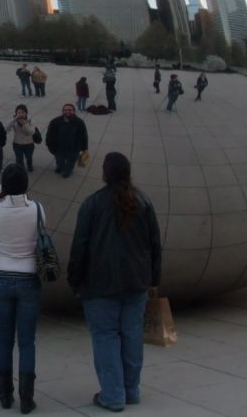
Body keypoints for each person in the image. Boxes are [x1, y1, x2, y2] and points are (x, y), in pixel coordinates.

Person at [68, 152, 162, 412]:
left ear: (105, 173)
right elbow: (155, 244)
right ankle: (131, 390)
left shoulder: (92, 204)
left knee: (105, 337)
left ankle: (113, 394)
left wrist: (74, 279)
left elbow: (80, 246)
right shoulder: (142, 201)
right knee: (132, 336)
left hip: (100, 285)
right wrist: (154, 280)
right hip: (137, 282)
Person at [0, 165, 42, 413]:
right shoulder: (36, 209)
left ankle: (5, 396)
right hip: (28, 277)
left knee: (4, 339)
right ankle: (27, 397)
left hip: (1, 276)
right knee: (27, 341)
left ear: (4, 185)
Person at [45, 104, 88, 179]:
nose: (67, 111)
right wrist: (49, 145)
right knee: (59, 160)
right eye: (65, 110)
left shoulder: (79, 122)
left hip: (73, 148)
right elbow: (49, 135)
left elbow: (84, 136)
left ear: (73, 111)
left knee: (70, 162)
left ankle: (68, 171)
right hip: (59, 147)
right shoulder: (55, 121)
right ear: (62, 111)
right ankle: (60, 167)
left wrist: (84, 148)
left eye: (70, 110)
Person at [8, 104, 38, 172]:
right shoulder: (14, 120)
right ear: (16, 113)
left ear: (26, 113)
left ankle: (29, 166)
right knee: (19, 159)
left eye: (23, 112)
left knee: (29, 157)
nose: (21, 114)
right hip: (17, 143)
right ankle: (20, 170)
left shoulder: (30, 120)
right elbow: (6, 128)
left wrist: (25, 124)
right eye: (19, 112)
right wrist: (14, 119)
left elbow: (31, 132)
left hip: (29, 144)